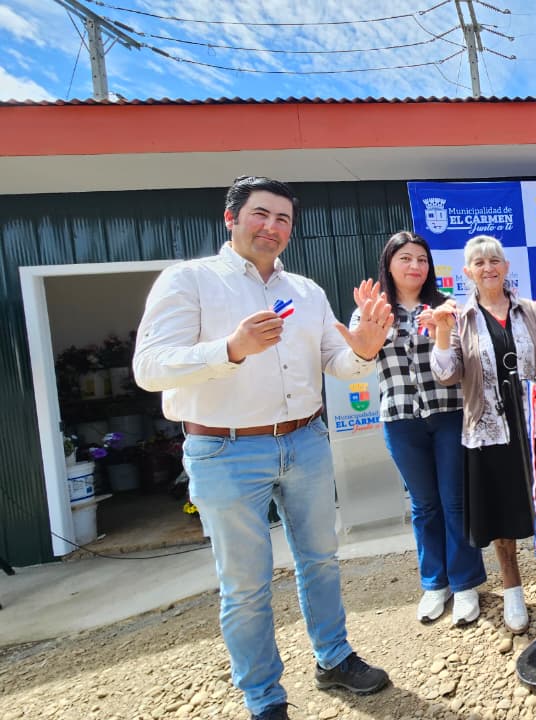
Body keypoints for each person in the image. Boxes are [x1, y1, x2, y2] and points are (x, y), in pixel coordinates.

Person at [133, 176, 390, 720]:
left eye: (283, 219)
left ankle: (333, 657)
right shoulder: (190, 281)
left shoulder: (307, 291)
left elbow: (337, 362)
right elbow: (150, 368)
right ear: (231, 218)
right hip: (225, 452)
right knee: (246, 586)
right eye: (260, 214)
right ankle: (264, 698)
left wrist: (365, 352)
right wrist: (230, 348)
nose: (272, 227)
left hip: (305, 441)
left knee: (320, 561)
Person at [428, 235, 536, 634]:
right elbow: (447, 374)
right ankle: (513, 588)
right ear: (468, 272)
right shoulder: (460, 317)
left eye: (495, 260)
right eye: (479, 263)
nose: (488, 268)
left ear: (506, 266)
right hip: (488, 430)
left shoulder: (529, 310)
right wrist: (442, 334)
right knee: (501, 511)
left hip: (535, 426)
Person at [356, 232, 484, 626]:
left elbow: (464, 358)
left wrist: (444, 326)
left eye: (422, 259)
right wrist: (366, 328)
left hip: (448, 415)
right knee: (424, 504)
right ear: (389, 263)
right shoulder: (373, 311)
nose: (415, 266)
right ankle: (435, 583)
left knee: (455, 500)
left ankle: (465, 583)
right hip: (400, 418)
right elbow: (359, 358)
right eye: (406, 258)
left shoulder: (446, 306)